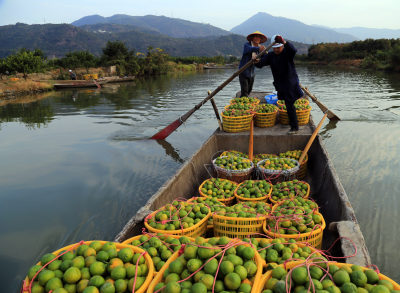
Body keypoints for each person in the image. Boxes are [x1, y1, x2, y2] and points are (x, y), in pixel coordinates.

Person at [256, 34, 303, 134]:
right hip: (280, 84)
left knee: (290, 105)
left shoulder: (287, 53)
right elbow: (261, 64)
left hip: (290, 83)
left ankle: (295, 127)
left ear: (282, 46)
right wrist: (255, 60)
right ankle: (293, 124)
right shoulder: (271, 56)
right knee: (288, 104)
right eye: (275, 48)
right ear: (272, 47)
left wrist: (285, 42)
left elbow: (293, 50)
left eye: (279, 47)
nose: (277, 50)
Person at [238, 31, 267, 97]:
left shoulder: (261, 48)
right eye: (255, 37)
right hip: (243, 71)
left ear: (260, 40)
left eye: (258, 37)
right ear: (252, 38)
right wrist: (259, 49)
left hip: (251, 72)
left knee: (249, 89)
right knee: (244, 90)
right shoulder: (247, 45)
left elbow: (264, 58)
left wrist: (263, 53)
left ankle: (244, 100)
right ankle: (243, 102)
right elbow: (249, 49)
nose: (257, 38)